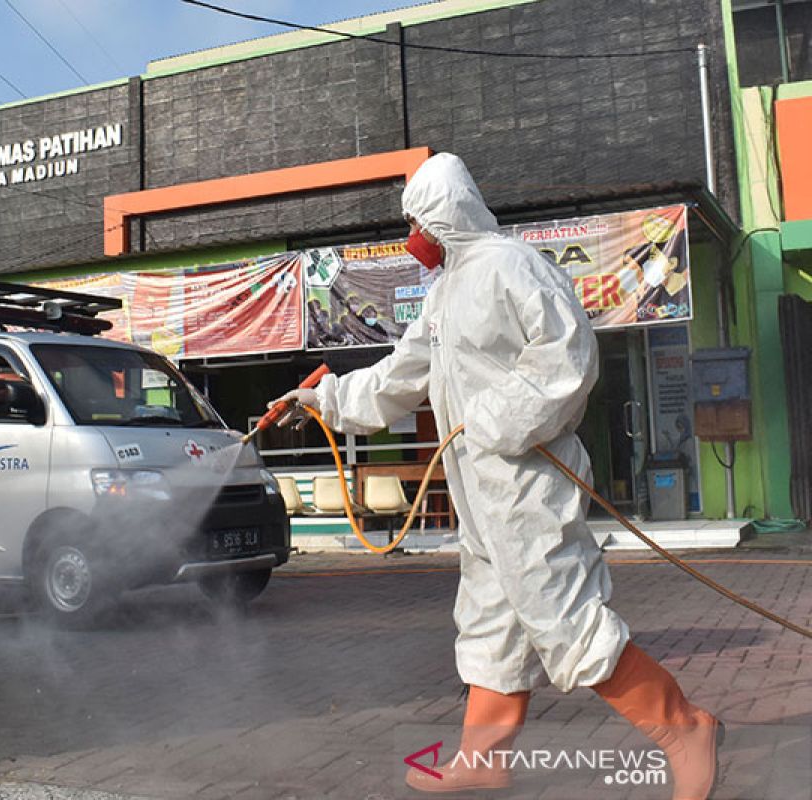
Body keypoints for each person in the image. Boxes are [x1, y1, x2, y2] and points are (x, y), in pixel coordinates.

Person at [271, 153, 721, 798]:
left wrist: (494, 419)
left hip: (528, 480)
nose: (412, 238)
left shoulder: (514, 266)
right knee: (490, 622)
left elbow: (568, 357)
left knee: (564, 617)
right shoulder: (445, 291)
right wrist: (323, 398)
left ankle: (685, 727)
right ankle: (483, 762)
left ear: (442, 215)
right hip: (480, 490)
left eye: (416, 223)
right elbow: (399, 378)